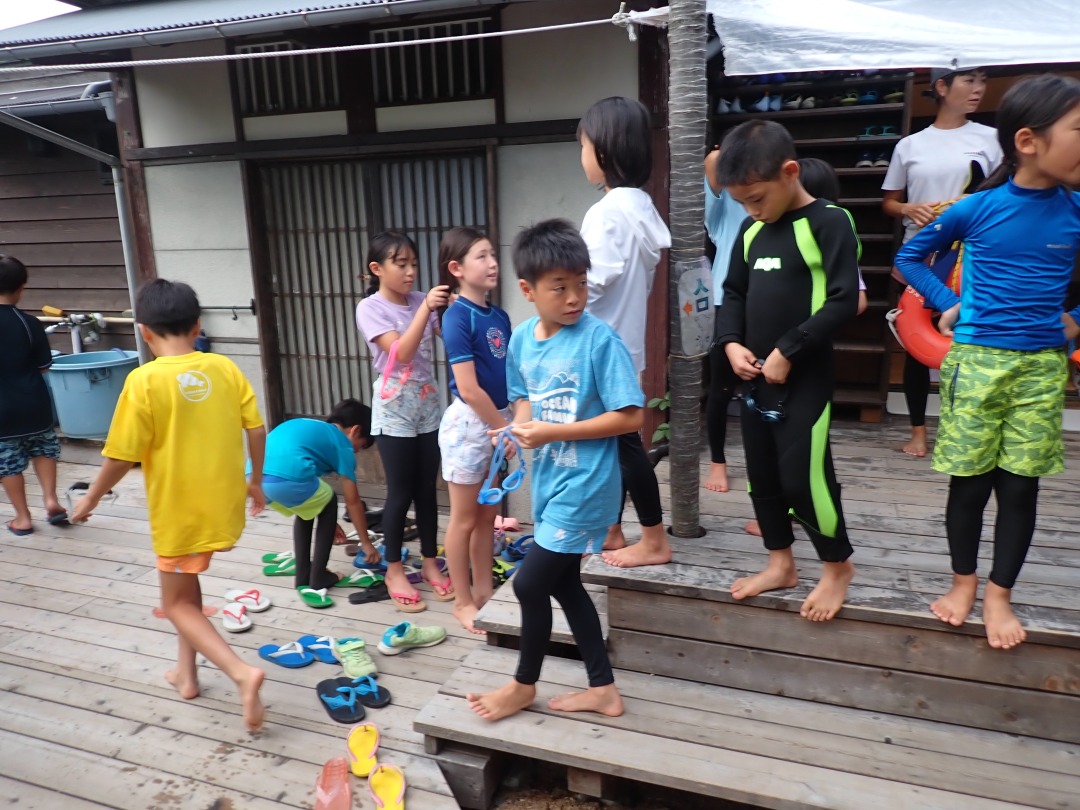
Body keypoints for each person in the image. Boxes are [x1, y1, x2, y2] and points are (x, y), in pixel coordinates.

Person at [895, 73, 1080, 650]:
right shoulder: (977, 208)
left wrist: (1076, 318)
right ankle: (964, 585)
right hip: (974, 364)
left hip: (1041, 368)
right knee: (970, 485)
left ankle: (1000, 594)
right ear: (1029, 141)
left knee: (1020, 489)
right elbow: (909, 258)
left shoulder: (1076, 209)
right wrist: (949, 303)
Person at [70, 279, 267, 731]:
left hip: (179, 513)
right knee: (186, 589)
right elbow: (256, 429)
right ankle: (186, 675)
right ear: (197, 326)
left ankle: (241, 673)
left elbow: (122, 455)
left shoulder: (144, 381)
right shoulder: (224, 368)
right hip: (223, 505)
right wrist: (255, 482)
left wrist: (90, 498)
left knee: (175, 603)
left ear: (144, 331)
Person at [467, 219, 643, 721]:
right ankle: (603, 689)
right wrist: (518, 429)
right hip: (549, 481)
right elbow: (524, 399)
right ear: (528, 290)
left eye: (581, 284)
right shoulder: (522, 339)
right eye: (559, 287)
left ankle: (522, 686)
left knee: (529, 584)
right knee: (565, 585)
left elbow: (632, 416)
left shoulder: (598, 340)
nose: (574, 298)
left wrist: (551, 432)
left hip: (587, 484)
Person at [714, 120, 860, 622]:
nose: (752, 211)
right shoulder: (752, 232)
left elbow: (844, 299)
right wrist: (731, 343)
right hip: (755, 377)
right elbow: (733, 292)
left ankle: (837, 567)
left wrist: (789, 350)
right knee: (762, 476)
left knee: (803, 476)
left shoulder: (830, 222)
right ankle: (781, 563)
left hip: (805, 376)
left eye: (757, 198)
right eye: (742, 203)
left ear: (790, 172)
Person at [882, 66, 1002, 458]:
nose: (978, 89)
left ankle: (961, 427)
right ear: (941, 87)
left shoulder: (991, 138)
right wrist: (909, 208)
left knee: (968, 343)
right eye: (970, 80)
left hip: (971, 258)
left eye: (982, 81)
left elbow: (1005, 195)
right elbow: (890, 202)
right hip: (919, 256)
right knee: (916, 346)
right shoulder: (910, 145)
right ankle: (918, 431)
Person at [576, 96, 672, 569]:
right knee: (615, 444)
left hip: (600, 346)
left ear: (605, 149)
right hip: (626, 344)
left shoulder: (606, 213)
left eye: (584, 145)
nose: (581, 154)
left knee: (625, 444)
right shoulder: (641, 207)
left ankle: (653, 539)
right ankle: (613, 529)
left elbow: (587, 286)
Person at [355, 231, 451, 613]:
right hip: (394, 408)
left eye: (414, 263)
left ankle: (430, 562)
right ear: (377, 269)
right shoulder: (370, 308)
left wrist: (459, 307)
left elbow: (452, 337)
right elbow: (402, 353)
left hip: (427, 404)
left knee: (427, 490)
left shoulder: (421, 300)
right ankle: (393, 569)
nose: (411, 271)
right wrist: (426, 308)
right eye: (401, 264)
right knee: (400, 492)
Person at [436, 226, 513, 633]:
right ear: (457, 268)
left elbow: (510, 375)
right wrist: (504, 429)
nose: (492, 263)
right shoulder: (457, 316)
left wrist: (509, 424)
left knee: (488, 516)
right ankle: (462, 601)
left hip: (499, 422)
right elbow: (468, 388)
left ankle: (484, 592)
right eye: (481, 256)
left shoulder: (499, 316)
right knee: (464, 519)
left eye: (492, 254)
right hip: (470, 424)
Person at [256, 399, 379, 607]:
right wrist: (366, 544)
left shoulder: (314, 428)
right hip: (286, 477)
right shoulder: (342, 444)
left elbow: (311, 499)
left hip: (255, 480)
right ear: (355, 430)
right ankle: (319, 575)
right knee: (330, 499)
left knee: (307, 508)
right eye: (362, 445)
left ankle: (303, 576)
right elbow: (353, 502)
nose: (357, 451)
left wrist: (328, 523)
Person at [0, 255, 67, 534]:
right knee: (43, 449)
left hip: (2, 412)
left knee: (8, 463)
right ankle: (51, 499)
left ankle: (23, 518)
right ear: (22, 288)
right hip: (35, 403)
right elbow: (43, 367)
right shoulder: (29, 323)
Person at [703, 145, 750, 495]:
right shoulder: (725, 205)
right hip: (725, 303)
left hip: (764, 305)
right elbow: (714, 160)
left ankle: (762, 464)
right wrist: (735, 152)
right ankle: (717, 461)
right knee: (720, 388)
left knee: (760, 390)